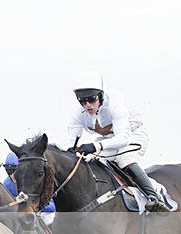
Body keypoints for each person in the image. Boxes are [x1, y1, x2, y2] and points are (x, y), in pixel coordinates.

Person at [66, 70, 168, 213]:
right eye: (82, 101)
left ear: (100, 95)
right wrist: (70, 152)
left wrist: (94, 146)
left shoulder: (115, 102)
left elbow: (123, 138)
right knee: (93, 162)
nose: (87, 105)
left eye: (91, 99)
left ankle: (154, 196)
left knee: (124, 159)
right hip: (108, 140)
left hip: (133, 135)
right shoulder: (78, 113)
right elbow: (71, 143)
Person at [2, 152, 56, 225]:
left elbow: (51, 207)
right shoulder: (7, 184)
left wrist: (32, 206)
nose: (13, 175)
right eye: (9, 171)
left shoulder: (35, 182)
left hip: (40, 215)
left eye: (17, 171)